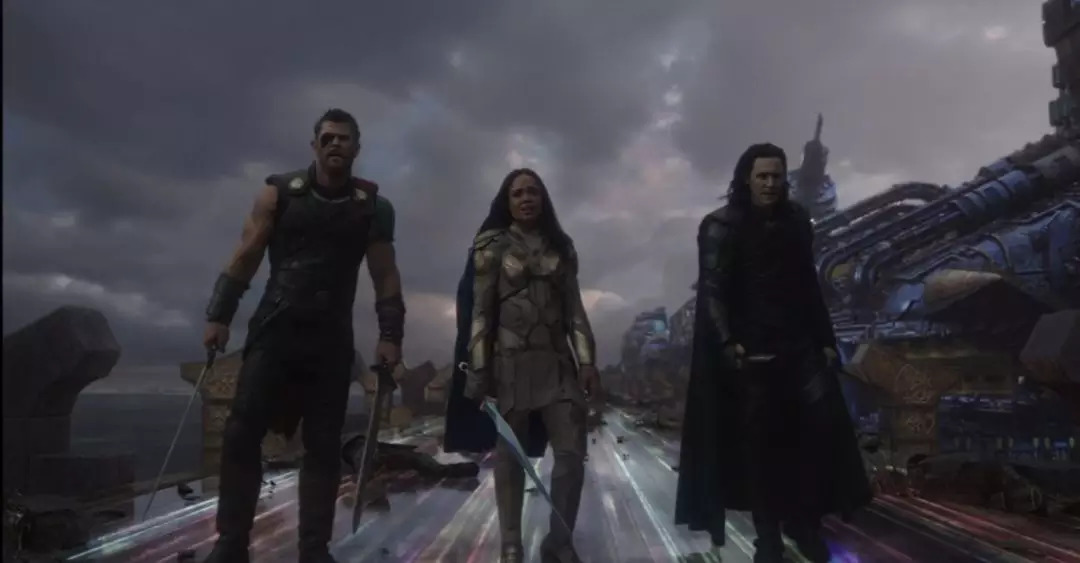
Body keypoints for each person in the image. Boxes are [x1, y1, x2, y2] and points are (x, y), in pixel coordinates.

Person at [200, 108, 405, 563]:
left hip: (330, 339)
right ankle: (231, 544)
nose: (335, 144)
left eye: (344, 138)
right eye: (327, 138)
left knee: (324, 444)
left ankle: (314, 550)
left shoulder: (372, 207)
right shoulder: (279, 193)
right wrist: (219, 314)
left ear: (356, 148)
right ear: (314, 145)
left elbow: (385, 274)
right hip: (276, 329)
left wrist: (391, 334)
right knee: (241, 432)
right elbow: (247, 253)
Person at [673, 143, 871, 563]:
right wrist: (728, 343)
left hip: (799, 347)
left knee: (814, 440)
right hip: (754, 353)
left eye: (776, 176)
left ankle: (805, 524)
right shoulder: (720, 226)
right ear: (747, 178)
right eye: (762, 176)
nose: (769, 183)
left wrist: (825, 341)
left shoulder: (796, 220)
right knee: (760, 450)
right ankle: (768, 539)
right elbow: (713, 291)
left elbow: (808, 285)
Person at [450, 168, 601, 563]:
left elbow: (574, 311)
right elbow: (480, 314)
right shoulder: (491, 247)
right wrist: (479, 372)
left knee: (571, 455)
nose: (526, 198)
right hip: (510, 364)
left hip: (557, 364)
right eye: (517, 193)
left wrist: (587, 360)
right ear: (508, 201)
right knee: (510, 456)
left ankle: (559, 541)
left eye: (533, 191)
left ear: (543, 198)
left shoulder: (561, 247)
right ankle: (511, 543)